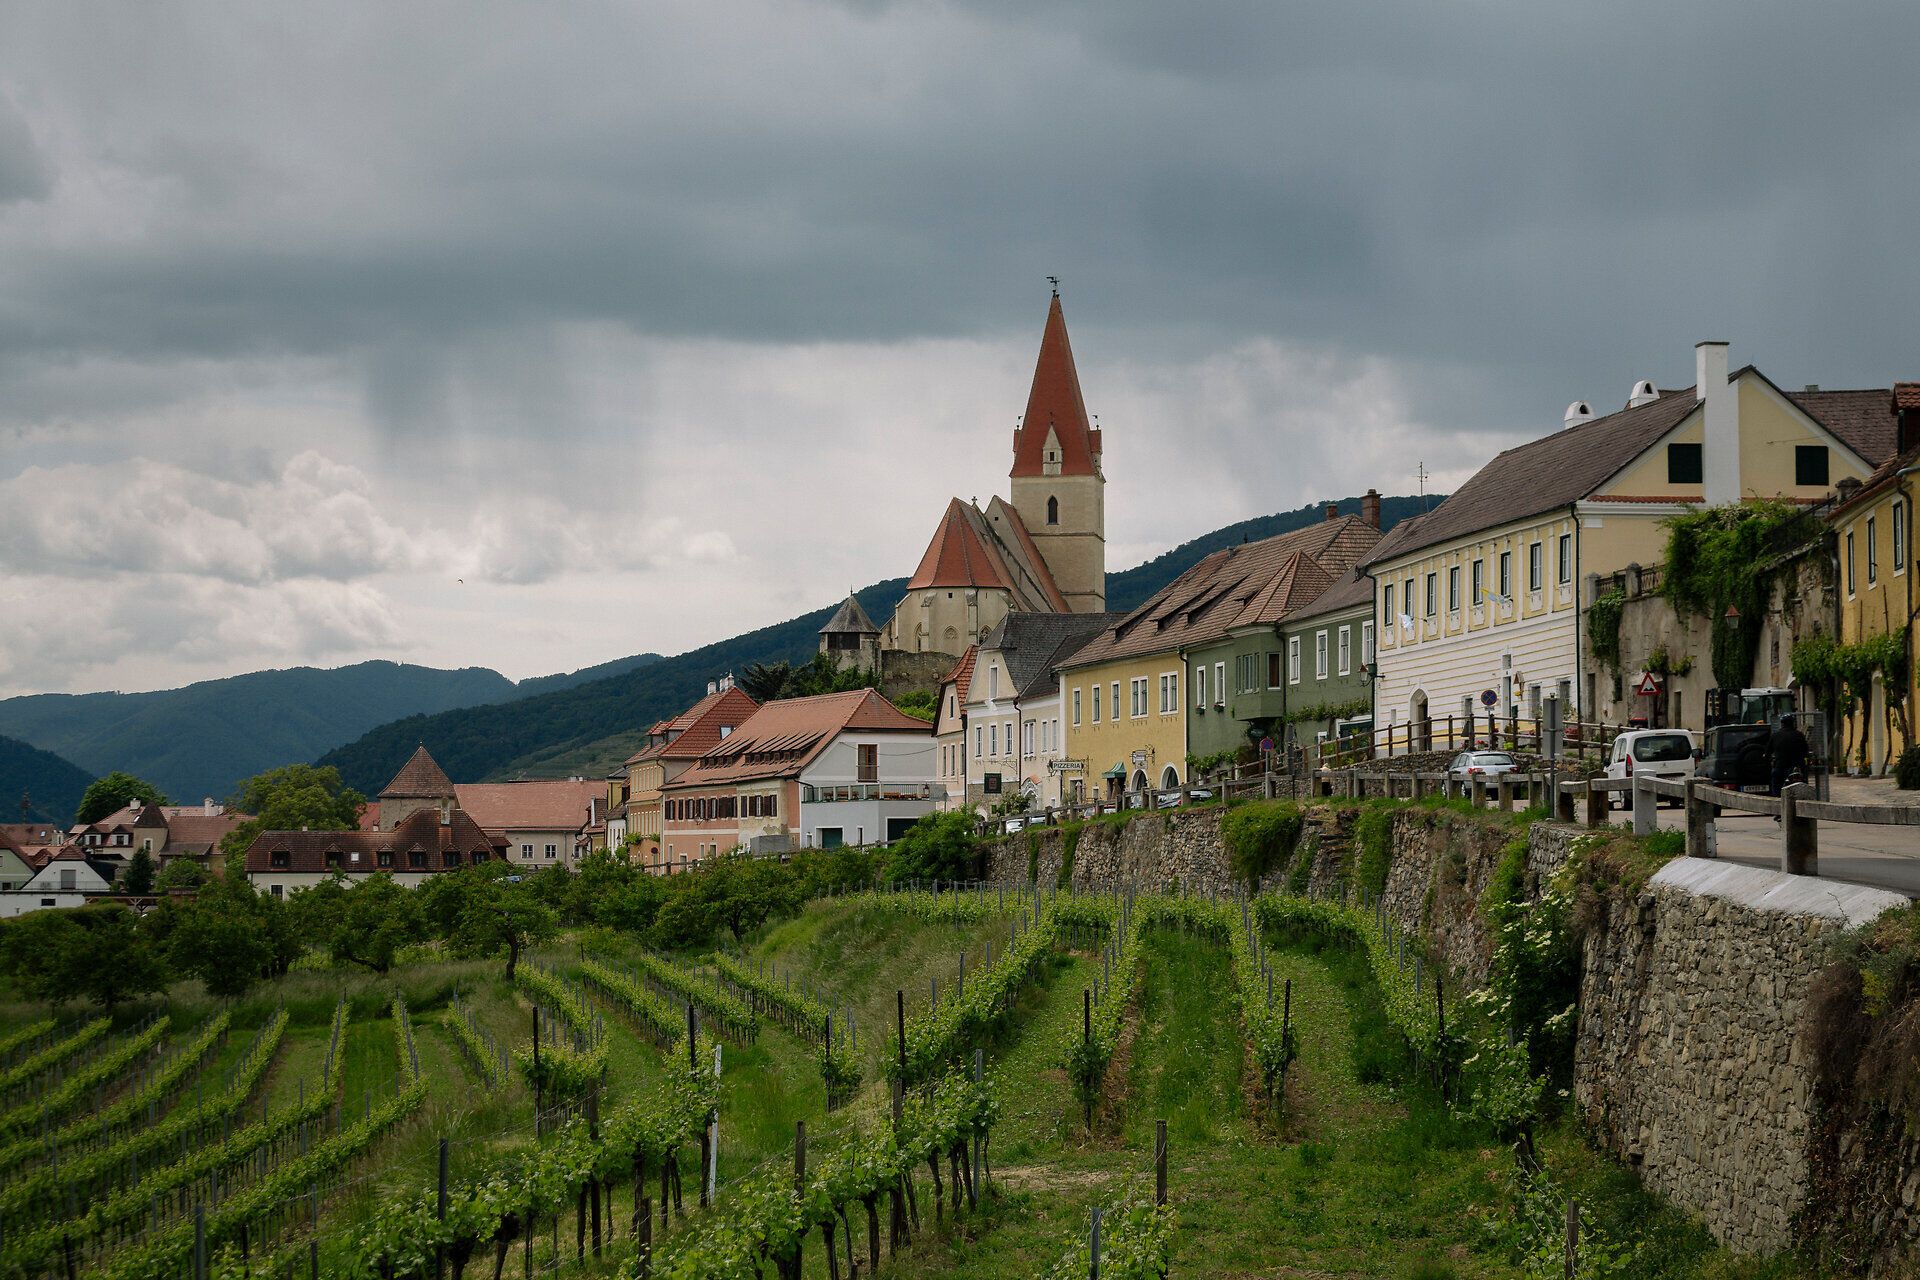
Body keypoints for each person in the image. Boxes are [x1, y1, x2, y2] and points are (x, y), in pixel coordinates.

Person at [1769, 713, 1810, 797]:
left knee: (1776, 783)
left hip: (1780, 766)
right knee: (1803, 781)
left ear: (1782, 723)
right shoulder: (1799, 735)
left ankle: (1777, 799)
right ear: (1792, 723)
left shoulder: (1775, 735)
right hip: (1796, 766)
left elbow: (1768, 750)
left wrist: (1767, 756)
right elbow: (1805, 750)